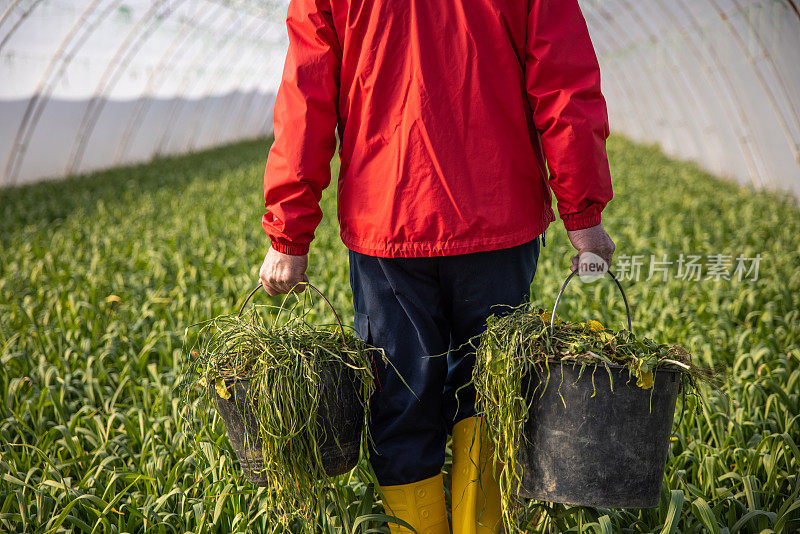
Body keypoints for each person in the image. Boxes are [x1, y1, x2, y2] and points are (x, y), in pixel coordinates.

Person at [258, 0, 615, 532]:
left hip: (389, 220)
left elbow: (307, 95)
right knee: (489, 388)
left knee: (400, 399)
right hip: (496, 217)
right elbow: (562, 84)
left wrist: (289, 230)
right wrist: (582, 214)